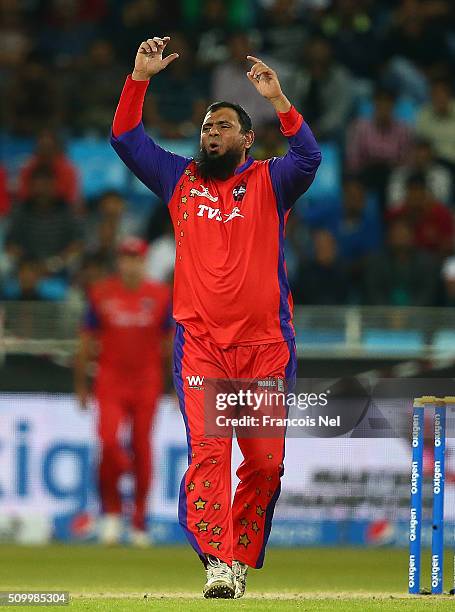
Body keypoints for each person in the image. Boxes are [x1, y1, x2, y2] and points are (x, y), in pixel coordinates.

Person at [111, 36, 321, 598]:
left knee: (264, 464)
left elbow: (310, 158)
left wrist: (279, 99)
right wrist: (139, 78)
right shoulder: (178, 179)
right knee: (209, 454)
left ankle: (240, 556)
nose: (211, 131)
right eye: (207, 125)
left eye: (224, 125)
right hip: (202, 344)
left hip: (265, 348)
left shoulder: (270, 181)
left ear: (248, 141)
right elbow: (126, 138)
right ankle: (217, 563)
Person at [74, 237, 173, 547]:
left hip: (147, 381)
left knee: (142, 447)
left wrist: (173, 385)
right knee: (108, 442)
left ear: (144, 262)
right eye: (126, 258)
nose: (130, 264)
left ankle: (139, 521)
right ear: (119, 262)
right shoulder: (101, 293)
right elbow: (86, 342)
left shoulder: (160, 295)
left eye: (136, 259)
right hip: (110, 381)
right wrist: (81, 385)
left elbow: (170, 346)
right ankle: (112, 514)